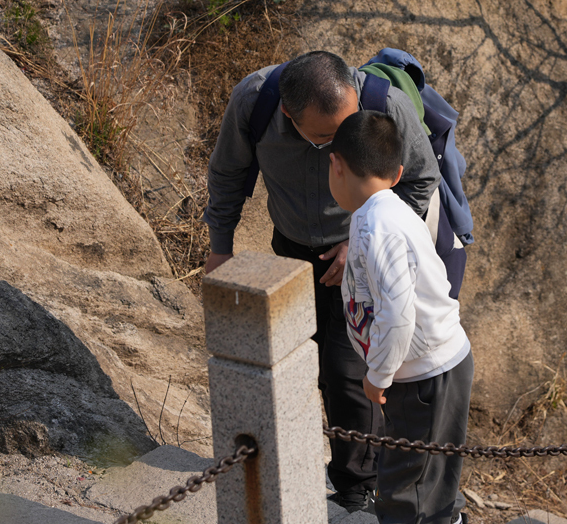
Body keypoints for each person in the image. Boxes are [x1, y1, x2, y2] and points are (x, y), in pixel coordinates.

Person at [202, 51, 440, 512]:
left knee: (346, 373)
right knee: (294, 363)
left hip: (360, 255)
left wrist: (359, 240)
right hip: (292, 249)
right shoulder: (257, 102)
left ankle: (358, 488)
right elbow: (227, 173)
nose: (342, 148)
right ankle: (292, 465)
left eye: (348, 129)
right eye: (328, 138)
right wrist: (220, 247)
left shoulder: (384, 104)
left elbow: (420, 179)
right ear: (289, 117)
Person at [329, 111, 473, 524]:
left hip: (426, 375)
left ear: (335, 165)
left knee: (402, 491)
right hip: (429, 369)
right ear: (397, 174)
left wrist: (378, 374)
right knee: (429, 476)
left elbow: (398, 315)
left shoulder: (382, 228)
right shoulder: (376, 213)